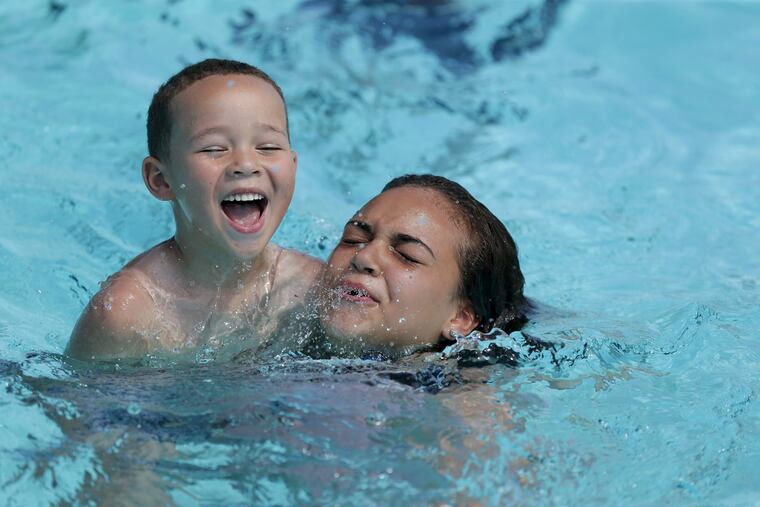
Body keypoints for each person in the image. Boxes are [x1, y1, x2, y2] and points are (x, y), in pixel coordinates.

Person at [66, 59, 322, 360]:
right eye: (213, 149)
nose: (246, 164)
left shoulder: (310, 288)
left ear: (293, 166)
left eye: (267, 147)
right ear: (161, 180)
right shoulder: (126, 314)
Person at [313, 173, 527, 360]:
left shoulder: (462, 396)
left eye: (407, 256)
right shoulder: (288, 299)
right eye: (352, 239)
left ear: (461, 318)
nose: (364, 257)